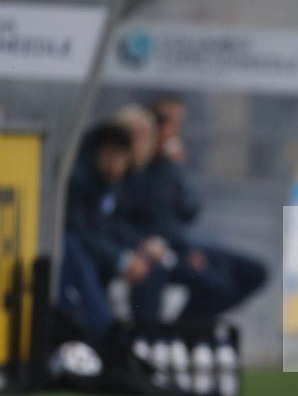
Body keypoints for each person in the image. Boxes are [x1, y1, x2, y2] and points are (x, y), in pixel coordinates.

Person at [115, 98, 267, 321]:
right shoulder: (129, 174)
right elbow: (127, 221)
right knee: (213, 284)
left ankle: (190, 325)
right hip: (154, 251)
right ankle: (180, 330)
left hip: (179, 246)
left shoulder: (167, 168)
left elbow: (190, 208)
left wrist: (176, 168)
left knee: (252, 272)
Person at [62, 122, 167, 332]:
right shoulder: (78, 180)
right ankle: (103, 330)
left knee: (154, 269)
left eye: (122, 158)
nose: (117, 164)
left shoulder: (112, 183)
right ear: (100, 153)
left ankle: (146, 336)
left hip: (103, 254)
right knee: (74, 250)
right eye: (113, 156)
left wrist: (140, 245)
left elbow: (112, 225)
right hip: (78, 253)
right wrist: (121, 258)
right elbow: (80, 230)